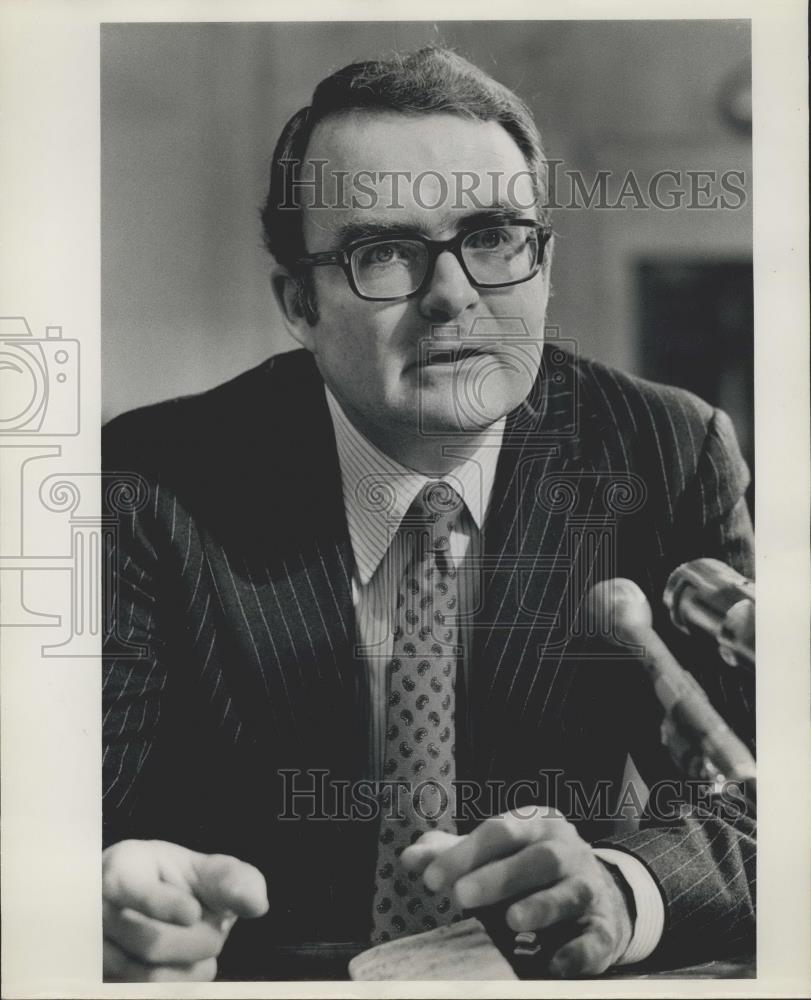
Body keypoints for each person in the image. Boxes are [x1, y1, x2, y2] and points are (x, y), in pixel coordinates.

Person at [101, 47, 755, 982]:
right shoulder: (148, 480)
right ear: (300, 302)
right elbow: (64, 816)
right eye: (385, 254)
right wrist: (110, 897)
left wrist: (623, 887)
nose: (453, 296)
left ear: (544, 265)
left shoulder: (662, 451)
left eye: (493, 237)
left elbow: (780, 801)